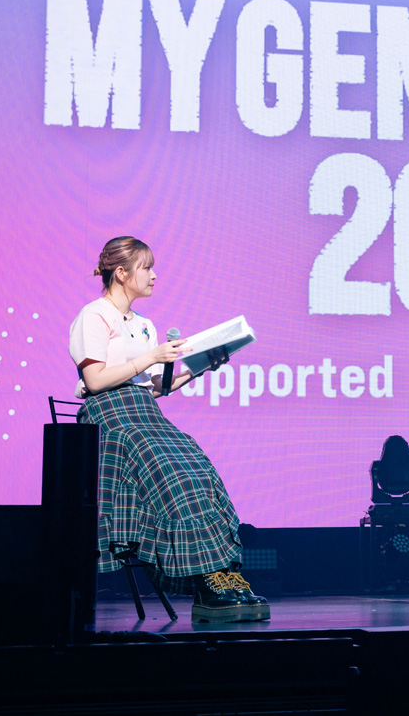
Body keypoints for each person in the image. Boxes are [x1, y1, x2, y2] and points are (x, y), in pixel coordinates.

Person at [69, 236, 269, 623]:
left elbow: (155, 387)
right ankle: (205, 579)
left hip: (145, 413)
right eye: (146, 268)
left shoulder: (144, 325)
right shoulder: (93, 316)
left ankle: (221, 574)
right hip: (111, 417)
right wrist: (152, 356)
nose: (154, 275)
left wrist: (202, 365)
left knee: (195, 465)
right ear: (121, 273)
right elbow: (94, 380)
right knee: (167, 470)